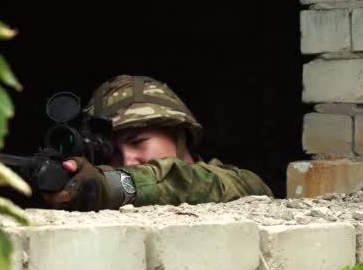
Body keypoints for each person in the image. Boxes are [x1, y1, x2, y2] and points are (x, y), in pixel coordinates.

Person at [43, 75, 273, 211]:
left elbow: (184, 182)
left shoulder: (239, 183)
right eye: (113, 152)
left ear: (177, 133)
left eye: (138, 142)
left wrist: (108, 186)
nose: (127, 160)